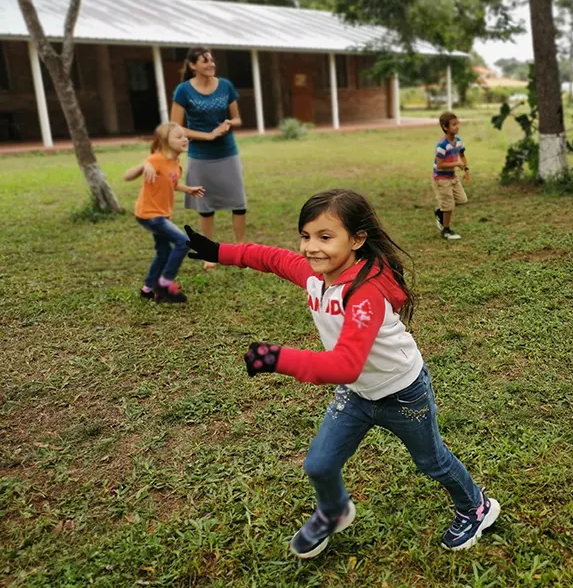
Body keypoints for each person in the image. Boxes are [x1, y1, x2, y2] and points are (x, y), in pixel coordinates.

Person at [183, 189, 499, 558]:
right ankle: (334, 510)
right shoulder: (317, 275)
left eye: (325, 237)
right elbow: (271, 258)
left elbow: (345, 363)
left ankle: (476, 507)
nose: (311, 247)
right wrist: (220, 252)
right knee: (319, 464)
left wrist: (276, 358)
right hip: (357, 394)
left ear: (358, 239)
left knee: (432, 461)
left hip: (402, 393)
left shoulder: (365, 292)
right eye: (306, 235)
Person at [170, 47, 246, 271]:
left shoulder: (225, 86)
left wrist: (228, 124)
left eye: (212, 60)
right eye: (205, 61)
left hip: (227, 152)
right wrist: (207, 135)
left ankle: (242, 251)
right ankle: (209, 252)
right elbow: (175, 126)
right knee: (205, 204)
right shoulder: (183, 90)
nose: (211, 64)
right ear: (193, 66)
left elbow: (238, 118)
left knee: (238, 203)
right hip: (200, 156)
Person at [125, 122, 204, 303]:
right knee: (184, 242)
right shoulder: (155, 160)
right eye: (178, 136)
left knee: (163, 252)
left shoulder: (176, 164)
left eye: (185, 136)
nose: (184, 139)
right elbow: (127, 176)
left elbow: (171, 184)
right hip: (150, 214)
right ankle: (164, 284)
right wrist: (144, 166)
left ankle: (147, 289)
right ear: (164, 141)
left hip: (162, 213)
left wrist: (187, 189)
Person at [431, 112, 469, 241]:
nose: (457, 126)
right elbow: (439, 165)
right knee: (448, 205)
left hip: (452, 177)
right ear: (445, 127)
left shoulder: (458, 141)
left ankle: (440, 212)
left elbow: (462, 154)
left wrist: (466, 168)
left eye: (457, 123)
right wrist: (457, 163)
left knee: (462, 199)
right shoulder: (442, 145)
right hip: (441, 178)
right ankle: (446, 231)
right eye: (454, 124)